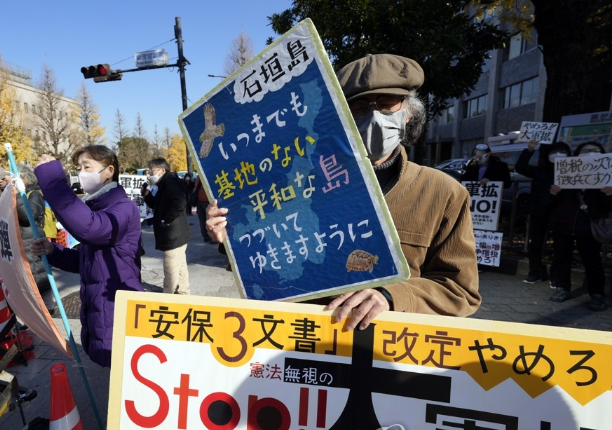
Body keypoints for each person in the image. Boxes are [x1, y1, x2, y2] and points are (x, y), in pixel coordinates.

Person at [206, 53, 480, 331]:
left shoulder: (443, 192)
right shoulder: (297, 185)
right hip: (307, 342)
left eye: (387, 105)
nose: (374, 116)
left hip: (390, 354)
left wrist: (392, 296)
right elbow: (265, 264)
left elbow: (460, 291)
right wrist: (230, 237)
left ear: (408, 113)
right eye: (358, 108)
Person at [30, 145, 143, 367]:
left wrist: (53, 182)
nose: (81, 173)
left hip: (116, 305)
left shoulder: (123, 208)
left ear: (109, 170)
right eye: (79, 167)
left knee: (122, 375)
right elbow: (86, 262)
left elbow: (91, 229)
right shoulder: (97, 208)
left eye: (87, 166)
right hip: (99, 308)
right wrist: (55, 252)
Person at [545, 141, 611, 311]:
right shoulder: (565, 173)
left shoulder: (606, 177)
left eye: (595, 151)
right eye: (585, 151)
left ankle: (597, 294)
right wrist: (553, 193)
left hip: (589, 226)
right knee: (561, 258)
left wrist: (608, 194)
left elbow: (608, 205)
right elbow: (549, 202)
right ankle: (562, 288)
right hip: (563, 224)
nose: (590, 154)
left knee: (592, 261)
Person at [142, 158, 191, 295]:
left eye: (152, 170)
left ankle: (167, 296)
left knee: (170, 270)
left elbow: (180, 202)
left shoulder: (170, 182)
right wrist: (146, 194)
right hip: (176, 234)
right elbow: (155, 204)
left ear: (162, 170)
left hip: (173, 235)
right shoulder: (162, 183)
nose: (150, 173)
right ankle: (183, 293)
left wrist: (166, 220)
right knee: (180, 267)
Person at [515, 140, 556, 284]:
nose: (556, 156)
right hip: (539, 210)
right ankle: (535, 272)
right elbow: (520, 167)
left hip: (560, 211)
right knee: (536, 244)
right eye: (552, 153)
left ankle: (558, 277)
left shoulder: (569, 172)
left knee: (560, 245)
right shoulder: (540, 170)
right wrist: (530, 150)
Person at [14, 164, 53, 312]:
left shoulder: (33, 194)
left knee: (38, 274)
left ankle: (47, 308)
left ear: (23, 179)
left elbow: (27, 215)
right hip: (24, 239)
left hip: (32, 239)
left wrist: (18, 195)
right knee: (31, 274)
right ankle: (39, 308)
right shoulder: (27, 194)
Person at [193, 175, 214, 243]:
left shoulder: (198, 177)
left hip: (199, 201)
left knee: (202, 220)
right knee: (210, 219)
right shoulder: (208, 175)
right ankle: (212, 237)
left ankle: (205, 236)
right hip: (207, 201)